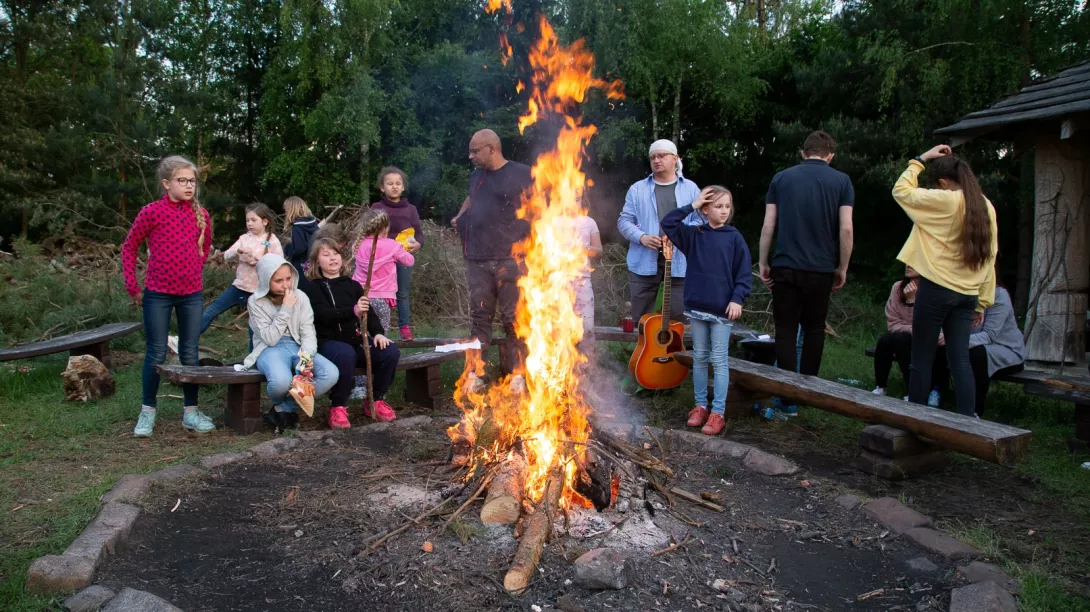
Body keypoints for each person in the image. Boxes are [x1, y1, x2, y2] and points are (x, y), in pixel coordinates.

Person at [892, 145, 998, 416]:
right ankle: (967, 421)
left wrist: (920, 159)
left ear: (943, 182)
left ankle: (915, 419)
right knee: (960, 359)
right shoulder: (986, 206)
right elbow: (990, 256)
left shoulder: (946, 199)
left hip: (937, 287)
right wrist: (982, 302)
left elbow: (901, 191)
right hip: (968, 294)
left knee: (922, 358)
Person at [122, 155, 216, 438]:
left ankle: (191, 412)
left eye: (192, 181)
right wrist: (133, 287)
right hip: (157, 295)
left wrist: (193, 270)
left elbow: (205, 247)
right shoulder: (152, 212)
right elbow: (129, 247)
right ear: (166, 184)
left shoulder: (202, 215)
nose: (189, 186)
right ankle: (147, 412)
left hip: (191, 295)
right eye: (182, 181)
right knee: (156, 352)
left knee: (189, 352)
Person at [759, 130, 854, 380]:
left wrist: (763, 261)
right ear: (831, 155)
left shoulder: (781, 178)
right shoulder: (842, 182)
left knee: (785, 329)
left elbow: (769, 225)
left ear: (803, 153)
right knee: (814, 328)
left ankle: (787, 391)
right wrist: (842, 267)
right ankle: (810, 388)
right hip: (821, 269)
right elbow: (846, 228)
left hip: (785, 265)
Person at [662, 186, 752, 436]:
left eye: (727, 206)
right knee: (700, 358)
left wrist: (737, 299)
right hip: (697, 307)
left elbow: (743, 273)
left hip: (722, 310)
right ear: (705, 209)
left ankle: (718, 413)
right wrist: (691, 205)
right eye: (718, 206)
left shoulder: (734, 237)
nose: (724, 211)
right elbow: (668, 223)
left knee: (719, 360)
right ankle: (700, 406)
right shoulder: (694, 235)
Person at [450, 129, 532, 389]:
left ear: (492, 149)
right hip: (477, 258)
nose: (470, 155)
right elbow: (471, 198)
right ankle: (476, 374)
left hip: (510, 259)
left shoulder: (521, 173)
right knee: (480, 318)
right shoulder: (476, 176)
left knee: (513, 319)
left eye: (475, 151)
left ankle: (518, 374)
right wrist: (459, 217)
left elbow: (539, 207)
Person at [303, 238, 401, 426]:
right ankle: (338, 406)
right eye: (326, 254)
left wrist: (378, 333)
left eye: (335, 253)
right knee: (345, 354)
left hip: (354, 342)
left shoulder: (353, 285)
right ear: (316, 262)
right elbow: (322, 315)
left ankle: (376, 400)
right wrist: (352, 311)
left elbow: (368, 313)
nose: (332, 258)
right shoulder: (313, 288)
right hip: (327, 343)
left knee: (389, 352)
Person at [236, 253, 339, 432]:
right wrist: (286, 308)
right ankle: (282, 408)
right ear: (266, 280)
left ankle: (284, 407)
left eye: (288, 279)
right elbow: (269, 338)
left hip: (297, 346)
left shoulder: (301, 297)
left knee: (330, 373)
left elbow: (308, 331)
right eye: (278, 281)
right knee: (281, 382)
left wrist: (306, 358)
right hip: (269, 349)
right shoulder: (255, 302)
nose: (285, 285)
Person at [617, 139, 701, 322]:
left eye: (662, 155)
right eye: (653, 157)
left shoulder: (691, 188)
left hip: (680, 261)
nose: (657, 160)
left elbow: (700, 220)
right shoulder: (637, 189)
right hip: (643, 259)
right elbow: (624, 221)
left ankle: (673, 352)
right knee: (642, 318)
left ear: (675, 158)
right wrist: (642, 237)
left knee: (678, 317)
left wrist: (680, 235)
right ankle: (645, 351)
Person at [200, 202, 283, 336]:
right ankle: (187, 342)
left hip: (259, 292)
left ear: (265, 221)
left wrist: (256, 259)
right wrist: (238, 251)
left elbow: (280, 266)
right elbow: (226, 255)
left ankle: (252, 356)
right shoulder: (244, 238)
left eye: (253, 220)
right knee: (211, 311)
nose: (249, 223)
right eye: (247, 220)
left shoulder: (273, 241)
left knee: (254, 328)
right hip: (239, 287)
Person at [871, 266, 949, 407]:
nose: (908, 265)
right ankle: (880, 387)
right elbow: (893, 324)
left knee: (903, 341)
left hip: (933, 338)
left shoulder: (936, 291)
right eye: (908, 261)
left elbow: (934, 324)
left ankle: (913, 392)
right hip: (907, 334)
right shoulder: (898, 287)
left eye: (914, 261)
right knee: (886, 340)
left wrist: (912, 302)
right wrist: (913, 329)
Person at [372, 166, 423, 341]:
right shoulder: (376, 207)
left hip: (402, 257)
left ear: (403, 187)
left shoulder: (411, 209)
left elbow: (419, 234)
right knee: (378, 294)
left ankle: (404, 327)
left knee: (402, 293)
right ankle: (377, 329)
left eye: (398, 183)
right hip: (381, 259)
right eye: (390, 183)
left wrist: (418, 245)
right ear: (382, 187)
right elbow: (369, 231)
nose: (394, 186)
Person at [352, 209, 415, 335]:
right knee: (380, 335)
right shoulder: (392, 245)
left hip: (360, 297)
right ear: (386, 228)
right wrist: (405, 247)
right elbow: (409, 261)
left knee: (362, 334)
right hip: (382, 298)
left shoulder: (358, 245)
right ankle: (379, 354)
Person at [969, 277, 1025, 417]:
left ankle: (975, 411)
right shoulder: (962, 292)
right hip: (970, 345)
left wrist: (954, 340)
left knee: (977, 353)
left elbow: (989, 336)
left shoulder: (999, 295)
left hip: (1006, 350)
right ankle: (934, 397)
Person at [571, 195, 603, 355]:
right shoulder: (551, 221)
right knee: (557, 327)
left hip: (582, 280)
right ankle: (559, 368)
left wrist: (587, 248)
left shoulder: (589, 222)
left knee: (587, 327)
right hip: (556, 283)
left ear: (582, 200)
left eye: (576, 198)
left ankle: (588, 366)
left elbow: (599, 251)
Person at [282, 196, 319, 280]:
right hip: (315, 263)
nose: (285, 213)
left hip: (303, 266)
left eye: (286, 210)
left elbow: (300, 248)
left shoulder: (297, 227)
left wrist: (288, 249)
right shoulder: (313, 223)